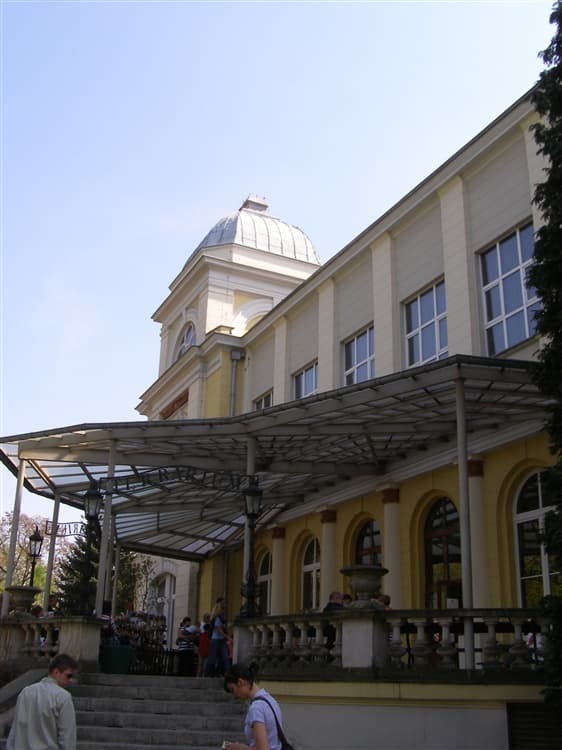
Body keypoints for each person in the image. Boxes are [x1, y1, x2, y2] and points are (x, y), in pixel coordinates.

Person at [7, 652, 77, 750]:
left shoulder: (26, 692)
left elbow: (15, 729)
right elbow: (67, 737)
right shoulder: (63, 697)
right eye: (68, 676)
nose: (70, 680)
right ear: (56, 672)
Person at [223, 662, 287, 750]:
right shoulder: (270, 700)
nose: (234, 696)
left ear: (240, 682)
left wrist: (240, 748)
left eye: (232, 690)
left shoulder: (256, 709)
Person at [204, 597, 229, 677]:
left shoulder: (219, 618)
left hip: (220, 640)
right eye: (222, 608)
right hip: (216, 640)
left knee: (224, 658)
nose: (223, 610)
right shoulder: (217, 618)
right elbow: (219, 631)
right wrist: (229, 638)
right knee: (213, 658)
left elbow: (222, 628)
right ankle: (207, 674)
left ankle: (225, 673)